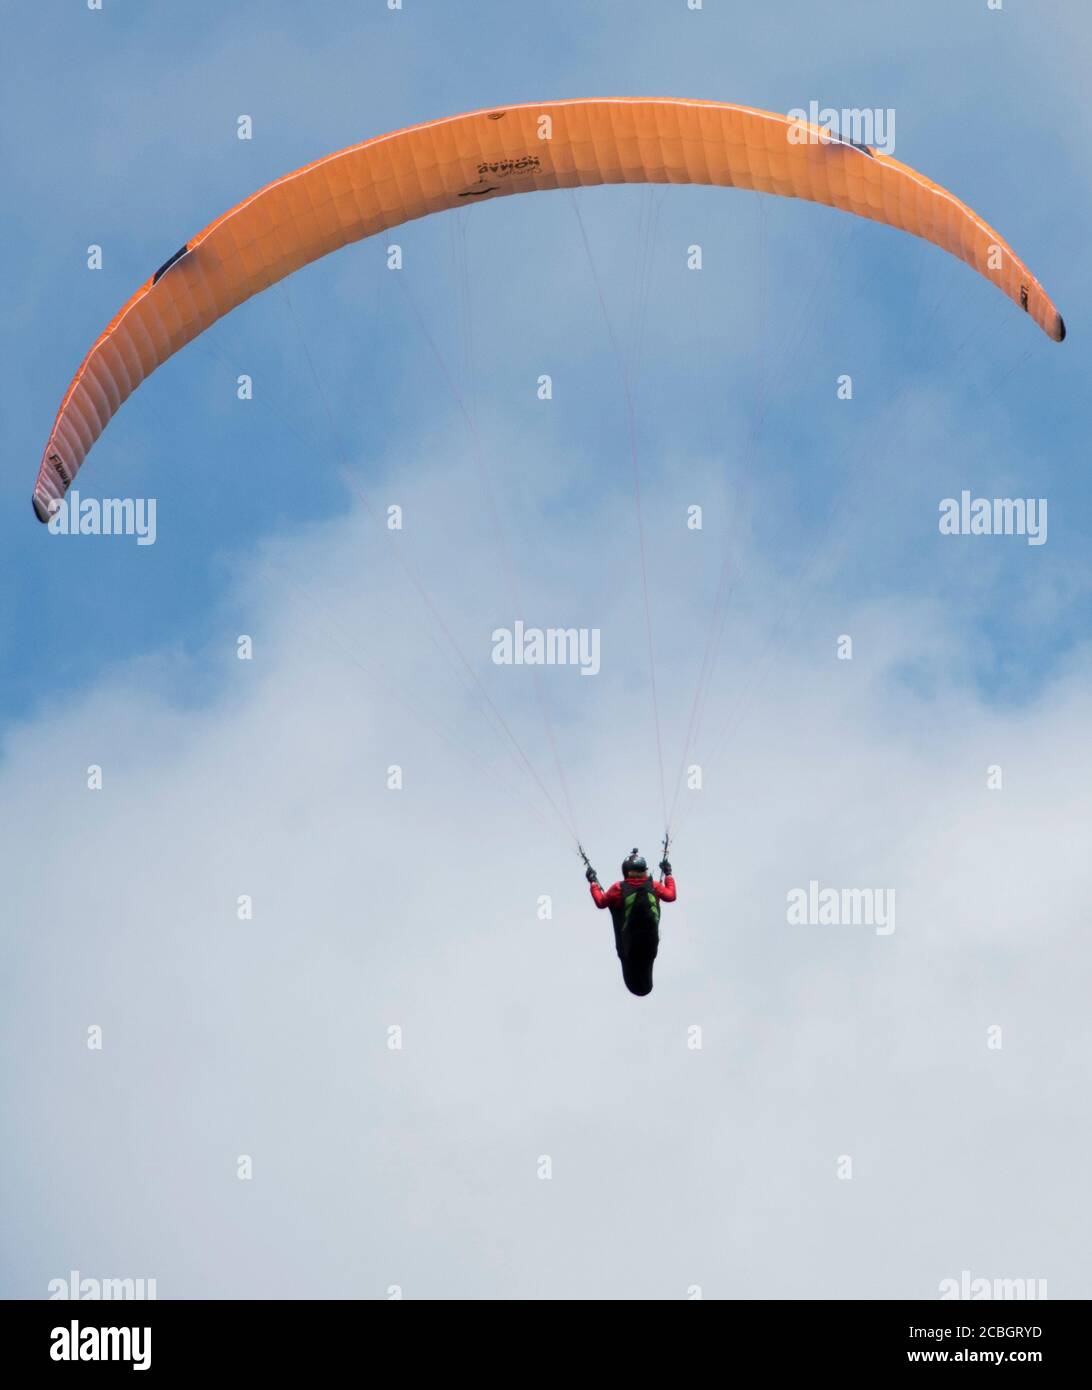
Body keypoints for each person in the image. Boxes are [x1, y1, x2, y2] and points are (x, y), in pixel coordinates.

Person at [585, 848, 676, 996]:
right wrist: (668, 874)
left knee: (632, 971)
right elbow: (671, 896)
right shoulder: (654, 886)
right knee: (644, 975)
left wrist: (593, 883)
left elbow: (601, 902)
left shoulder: (618, 888)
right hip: (650, 940)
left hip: (629, 943)